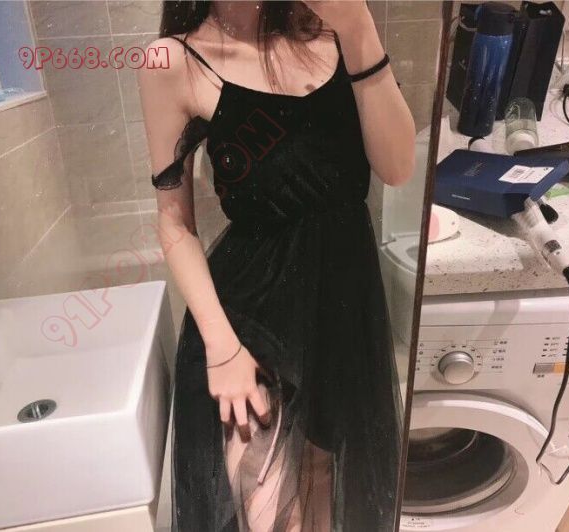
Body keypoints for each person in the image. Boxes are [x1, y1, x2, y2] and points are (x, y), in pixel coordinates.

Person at [138, 1, 416, 530]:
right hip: (249, 319)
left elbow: (399, 167)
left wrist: (359, 26)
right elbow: (174, 223)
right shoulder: (171, 60)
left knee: (322, 478)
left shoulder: (337, 31)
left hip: (341, 303)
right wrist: (222, 348)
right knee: (273, 514)